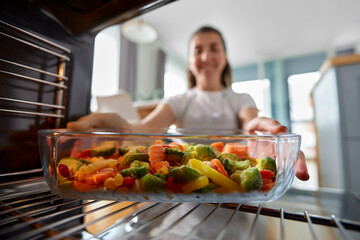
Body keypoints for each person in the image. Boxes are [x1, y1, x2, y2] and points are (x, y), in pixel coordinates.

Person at [67, 26, 309, 181]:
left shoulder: (241, 99)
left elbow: (250, 123)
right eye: (197, 51)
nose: (205, 57)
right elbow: (147, 129)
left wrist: (261, 132)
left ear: (224, 57)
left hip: (235, 193)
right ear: (191, 62)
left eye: (213, 49)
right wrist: (121, 126)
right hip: (183, 189)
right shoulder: (178, 100)